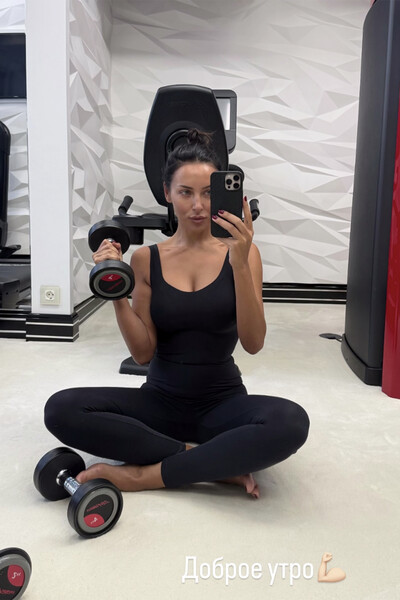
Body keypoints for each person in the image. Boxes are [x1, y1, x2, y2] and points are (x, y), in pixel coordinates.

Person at [44, 129, 310, 499]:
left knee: (291, 422)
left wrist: (239, 263)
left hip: (223, 404)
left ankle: (145, 475)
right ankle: (207, 461)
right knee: (60, 408)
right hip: (160, 402)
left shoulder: (245, 253)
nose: (198, 205)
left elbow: (253, 343)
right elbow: (143, 354)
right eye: (186, 193)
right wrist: (117, 291)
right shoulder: (146, 259)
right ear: (167, 193)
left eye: (208, 193)